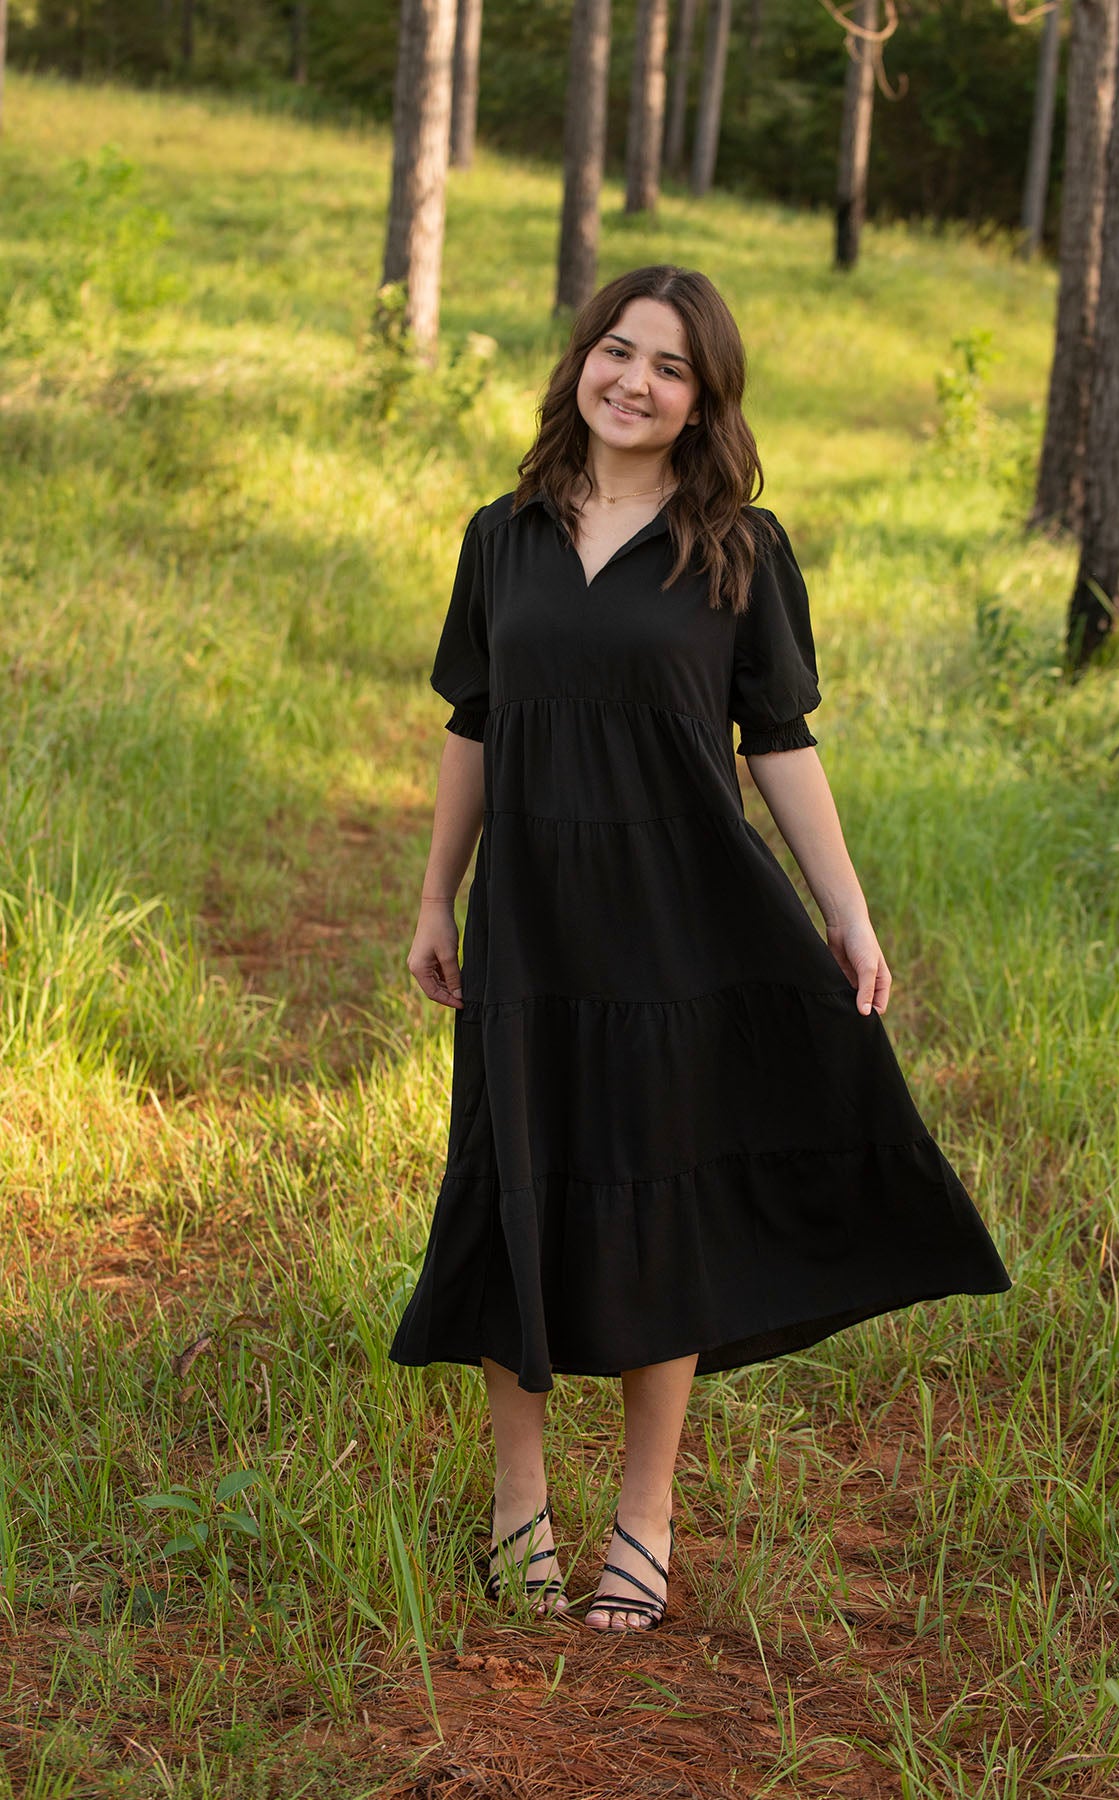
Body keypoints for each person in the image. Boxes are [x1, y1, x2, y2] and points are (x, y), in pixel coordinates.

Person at [392, 264, 1012, 1634]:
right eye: (618, 352)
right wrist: (438, 899)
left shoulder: (738, 549)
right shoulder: (503, 538)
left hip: (681, 925)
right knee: (519, 1186)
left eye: (669, 367)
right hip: (534, 923)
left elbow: (779, 743)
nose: (635, 381)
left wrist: (846, 914)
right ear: (581, 364)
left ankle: (645, 1513)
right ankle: (517, 1507)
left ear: (703, 399)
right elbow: (474, 726)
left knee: (658, 1200)